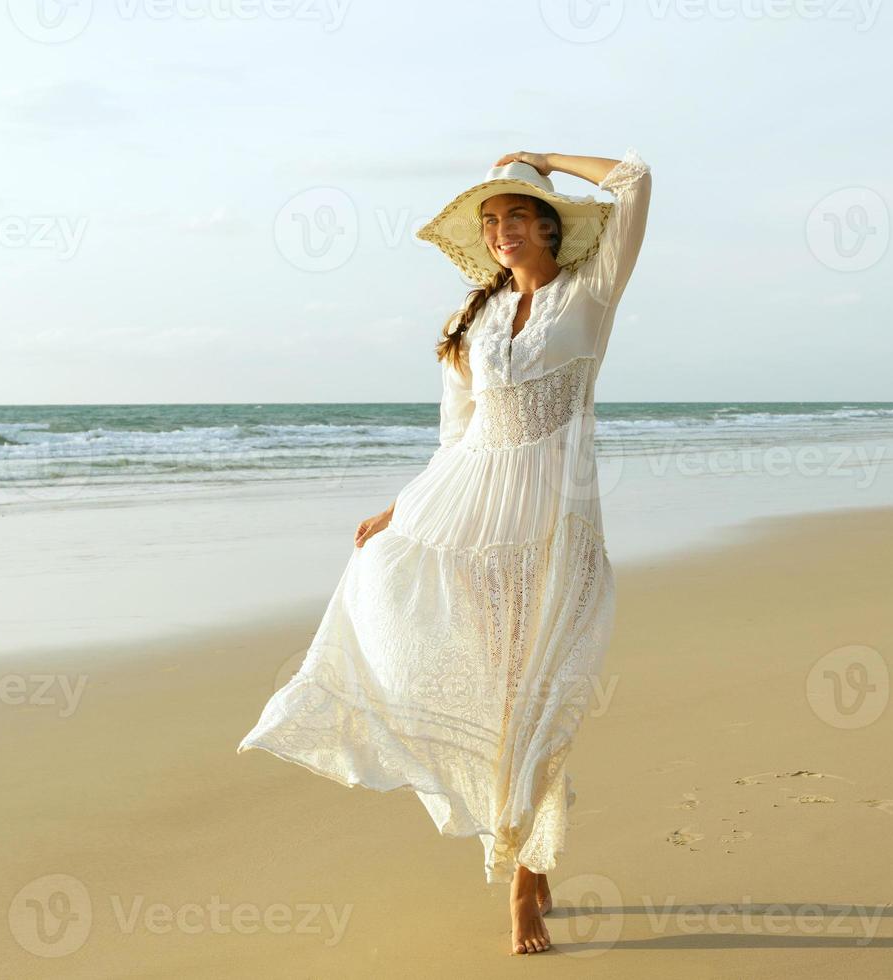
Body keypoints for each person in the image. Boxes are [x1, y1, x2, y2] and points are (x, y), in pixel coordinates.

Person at [238, 147, 653, 955]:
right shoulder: (477, 318)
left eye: (513, 217)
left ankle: (527, 877)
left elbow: (636, 177)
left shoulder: (591, 291)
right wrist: (398, 509)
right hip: (470, 522)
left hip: (554, 527)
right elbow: (456, 438)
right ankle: (523, 863)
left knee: (541, 692)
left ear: (548, 225)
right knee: (497, 693)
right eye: (490, 222)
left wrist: (540, 158)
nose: (500, 232)